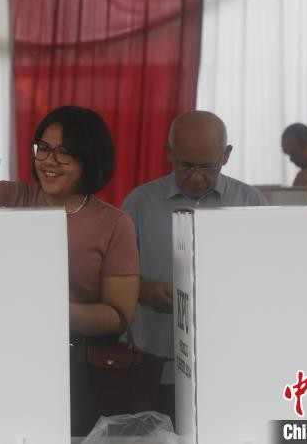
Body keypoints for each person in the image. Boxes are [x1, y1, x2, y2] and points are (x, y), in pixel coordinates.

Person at [0, 105, 141, 435]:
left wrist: (45, 310)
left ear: (90, 159)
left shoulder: (114, 223)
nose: (49, 161)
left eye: (64, 153)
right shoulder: (9, 195)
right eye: (43, 148)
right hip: (2, 359)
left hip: (76, 366)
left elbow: (119, 315)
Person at [121, 110, 268, 423]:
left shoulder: (250, 203)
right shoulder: (140, 203)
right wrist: (144, 290)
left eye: (208, 167)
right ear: (169, 153)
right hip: (153, 354)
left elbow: (267, 276)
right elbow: (115, 275)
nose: (197, 177)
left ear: (226, 156)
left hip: (228, 355)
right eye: (186, 165)